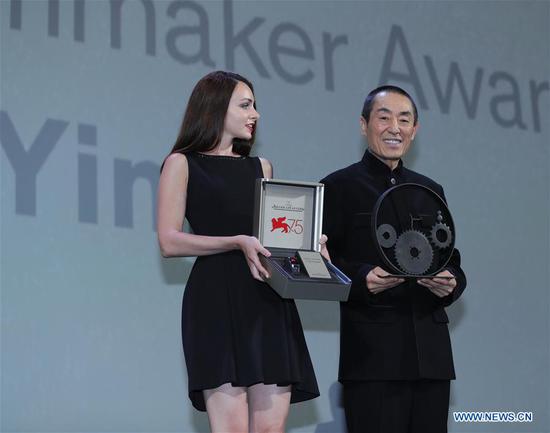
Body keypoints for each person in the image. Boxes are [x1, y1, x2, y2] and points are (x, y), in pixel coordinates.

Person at [157, 71, 319, 433]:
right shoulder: (181, 163)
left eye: (255, 106)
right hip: (214, 302)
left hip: (267, 300)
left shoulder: (262, 167)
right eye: (245, 105)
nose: (255, 114)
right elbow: (169, 241)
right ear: (215, 108)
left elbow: (273, 239)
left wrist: (309, 247)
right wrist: (234, 241)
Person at [321, 85, 466, 433]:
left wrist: (451, 282)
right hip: (373, 358)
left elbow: (453, 261)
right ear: (364, 124)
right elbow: (321, 262)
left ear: (415, 130)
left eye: (404, 119)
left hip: (432, 359)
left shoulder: (431, 190)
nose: (394, 127)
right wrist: (361, 278)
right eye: (384, 118)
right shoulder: (337, 187)